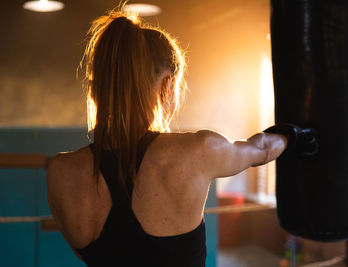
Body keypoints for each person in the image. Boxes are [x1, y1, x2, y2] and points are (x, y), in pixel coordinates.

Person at [46, 8, 287, 267]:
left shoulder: (60, 172)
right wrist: (292, 134)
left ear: (95, 92)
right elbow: (261, 149)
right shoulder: (199, 150)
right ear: (168, 86)